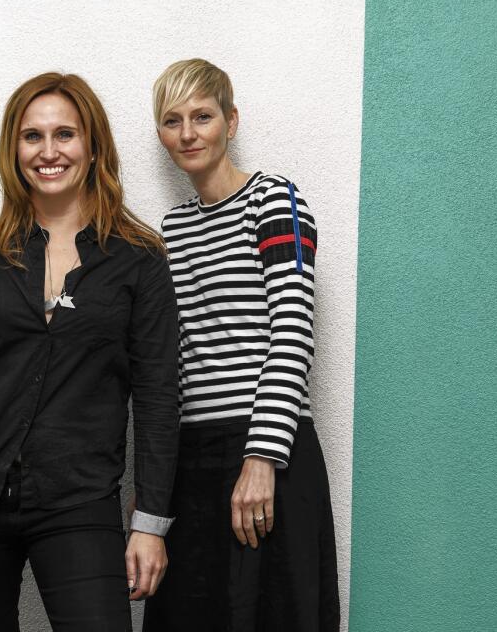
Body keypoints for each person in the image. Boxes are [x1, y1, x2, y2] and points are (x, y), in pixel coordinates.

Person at [0, 72, 179, 631]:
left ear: (92, 144)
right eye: (32, 136)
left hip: (77, 499)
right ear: (14, 148)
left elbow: (156, 395)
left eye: (65, 134)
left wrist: (150, 524)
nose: (49, 151)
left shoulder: (139, 258)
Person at [142, 59, 339, 631]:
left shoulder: (273, 200)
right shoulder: (169, 230)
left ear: (231, 121)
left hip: (269, 449)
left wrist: (261, 459)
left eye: (201, 116)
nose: (188, 134)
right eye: (172, 121)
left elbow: (293, 328)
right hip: (193, 456)